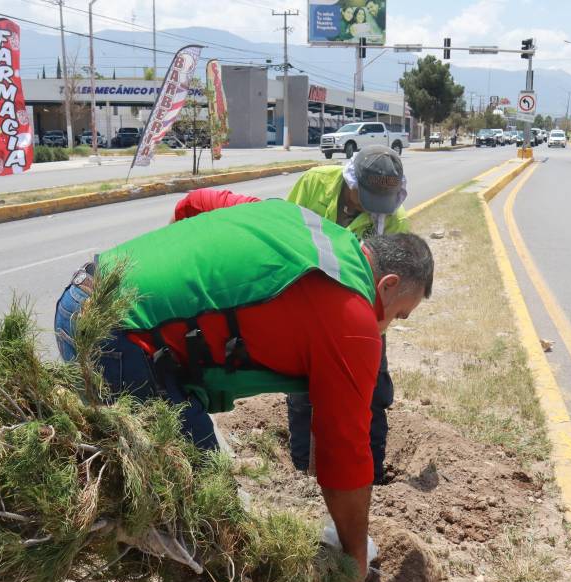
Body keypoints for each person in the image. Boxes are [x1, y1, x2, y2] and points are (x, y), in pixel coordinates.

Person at [54, 199, 434, 582]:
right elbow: (346, 452)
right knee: (205, 508)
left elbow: (194, 205)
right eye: (399, 315)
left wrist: (185, 285)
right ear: (386, 285)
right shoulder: (353, 317)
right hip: (117, 339)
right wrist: (353, 553)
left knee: (204, 484)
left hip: (90, 293)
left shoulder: (304, 225)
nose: (388, 327)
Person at [173, 146, 409, 485]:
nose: (374, 208)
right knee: (302, 391)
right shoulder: (315, 184)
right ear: (351, 181)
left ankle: (370, 474)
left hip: (360, 313)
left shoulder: (395, 218)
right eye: (368, 196)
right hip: (306, 308)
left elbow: (391, 285)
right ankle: (303, 471)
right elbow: (287, 233)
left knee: (370, 393)